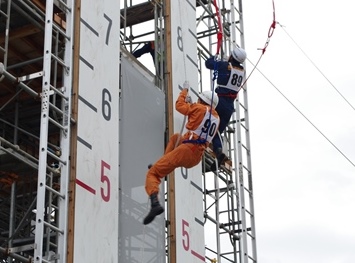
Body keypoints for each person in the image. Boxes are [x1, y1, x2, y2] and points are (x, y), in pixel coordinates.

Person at [143, 87, 220, 225]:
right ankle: (163, 162)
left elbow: (179, 106)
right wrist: (192, 106)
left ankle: (155, 203)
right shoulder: (216, 118)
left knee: (152, 173)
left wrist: (183, 92)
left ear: (202, 100)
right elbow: (199, 123)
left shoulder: (199, 108)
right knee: (175, 138)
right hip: (196, 156)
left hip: (187, 150)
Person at [205, 47, 247, 171]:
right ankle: (218, 152)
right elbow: (230, 69)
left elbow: (208, 64)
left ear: (232, 57)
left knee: (209, 124)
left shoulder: (224, 65)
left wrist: (214, 58)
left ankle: (213, 147)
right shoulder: (242, 71)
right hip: (229, 107)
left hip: (219, 101)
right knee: (217, 131)